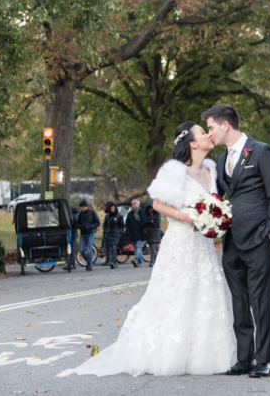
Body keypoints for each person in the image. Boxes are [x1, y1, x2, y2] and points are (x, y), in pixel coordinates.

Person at [74, 121, 236, 377]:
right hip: (181, 241)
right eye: (203, 132)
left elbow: (214, 203)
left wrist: (215, 221)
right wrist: (185, 217)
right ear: (193, 143)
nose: (208, 134)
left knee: (205, 292)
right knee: (175, 293)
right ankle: (167, 353)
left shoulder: (211, 169)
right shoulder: (175, 171)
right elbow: (158, 204)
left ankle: (201, 355)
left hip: (202, 244)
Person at [203, 104, 270, 378]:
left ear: (225, 125)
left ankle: (264, 360)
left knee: (260, 301)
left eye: (211, 127)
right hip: (231, 242)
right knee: (239, 301)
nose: (209, 133)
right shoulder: (219, 161)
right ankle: (245, 359)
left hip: (258, 239)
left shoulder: (262, 151)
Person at [76, 199, 100, 272]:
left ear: (86, 206)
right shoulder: (81, 214)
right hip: (83, 233)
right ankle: (89, 262)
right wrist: (81, 226)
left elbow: (98, 222)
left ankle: (90, 266)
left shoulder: (92, 212)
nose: (81, 208)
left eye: (82, 207)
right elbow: (78, 223)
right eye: (81, 207)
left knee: (89, 250)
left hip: (90, 233)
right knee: (82, 250)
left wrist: (91, 226)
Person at [126, 199, 147, 267]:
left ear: (138, 204)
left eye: (135, 204)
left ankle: (135, 260)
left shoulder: (143, 212)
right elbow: (127, 223)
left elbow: (145, 222)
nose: (133, 205)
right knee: (135, 248)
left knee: (138, 247)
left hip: (140, 233)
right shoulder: (130, 214)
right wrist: (128, 231)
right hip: (132, 233)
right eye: (132, 204)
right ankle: (139, 261)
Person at [103, 202, 124, 269]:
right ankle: (108, 261)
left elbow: (122, 225)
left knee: (114, 247)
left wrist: (119, 231)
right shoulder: (107, 216)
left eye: (113, 208)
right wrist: (106, 230)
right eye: (111, 208)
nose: (112, 209)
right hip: (109, 233)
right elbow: (105, 224)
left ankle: (113, 262)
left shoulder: (119, 216)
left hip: (116, 233)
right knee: (108, 247)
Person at [64, 205, 79, 271]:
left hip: (72, 233)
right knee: (71, 247)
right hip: (74, 232)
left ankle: (71, 263)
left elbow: (71, 224)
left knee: (71, 248)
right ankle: (72, 263)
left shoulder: (72, 216)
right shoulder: (76, 215)